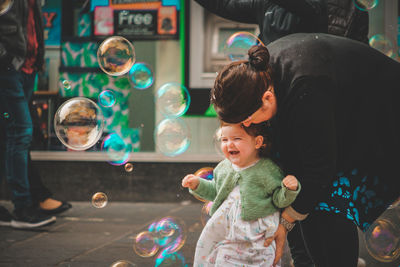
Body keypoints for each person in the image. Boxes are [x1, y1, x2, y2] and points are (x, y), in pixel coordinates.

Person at [210, 33, 400, 266]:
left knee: (329, 203)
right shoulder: (260, 74)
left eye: (248, 119)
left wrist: (286, 223)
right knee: (306, 197)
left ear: (267, 98)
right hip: (345, 116)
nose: (247, 126)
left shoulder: (306, 89)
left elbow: (318, 171)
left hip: (384, 120)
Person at [182, 121, 301, 266]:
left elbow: (278, 200)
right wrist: (197, 184)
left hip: (256, 236)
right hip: (224, 233)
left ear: (257, 142)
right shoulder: (223, 167)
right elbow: (216, 192)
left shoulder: (268, 169)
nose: (229, 144)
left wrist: (289, 190)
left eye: (236, 139)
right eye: (224, 140)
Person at [0, 0, 67, 228]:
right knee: (20, 132)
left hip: (26, 69)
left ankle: (29, 200)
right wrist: (6, 58)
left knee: (9, 134)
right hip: (9, 68)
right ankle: (23, 208)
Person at [194, 0, 327, 45]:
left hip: (301, 81)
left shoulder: (317, 5)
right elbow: (222, 4)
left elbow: (308, 9)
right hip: (268, 81)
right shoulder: (263, 4)